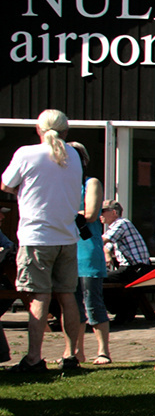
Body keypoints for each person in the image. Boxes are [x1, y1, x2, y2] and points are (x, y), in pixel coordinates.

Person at [2, 110, 84, 373]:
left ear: (38, 130)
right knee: (67, 296)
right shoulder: (74, 155)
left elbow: (5, 184)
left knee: (39, 298)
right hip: (67, 237)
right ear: (66, 131)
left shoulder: (26, 153)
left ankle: (34, 358)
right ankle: (71, 355)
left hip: (36, 237)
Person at [70, 143, 110, 365]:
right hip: (65, 251)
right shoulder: (62, 185)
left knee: (92, 302)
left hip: (86, 252)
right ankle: (76, 352)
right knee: (71, 305)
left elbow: (92, 214)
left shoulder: (90, 183)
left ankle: (103, 351)